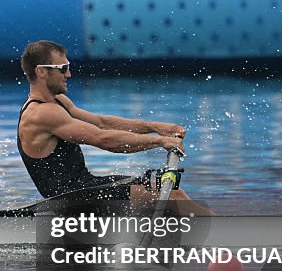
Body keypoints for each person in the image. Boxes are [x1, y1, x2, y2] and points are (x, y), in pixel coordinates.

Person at [17, 40, 210, 215]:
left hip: (84, 188)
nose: (69, 74)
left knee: (173, 193)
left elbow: (102, 123)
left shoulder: (59, 101)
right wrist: (160, 141)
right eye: (63, 68)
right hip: (71, 199)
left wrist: (155, 127)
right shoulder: (41, 113)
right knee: (169, 197)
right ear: (41, 71)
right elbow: (104, 139)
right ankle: (225, 239)